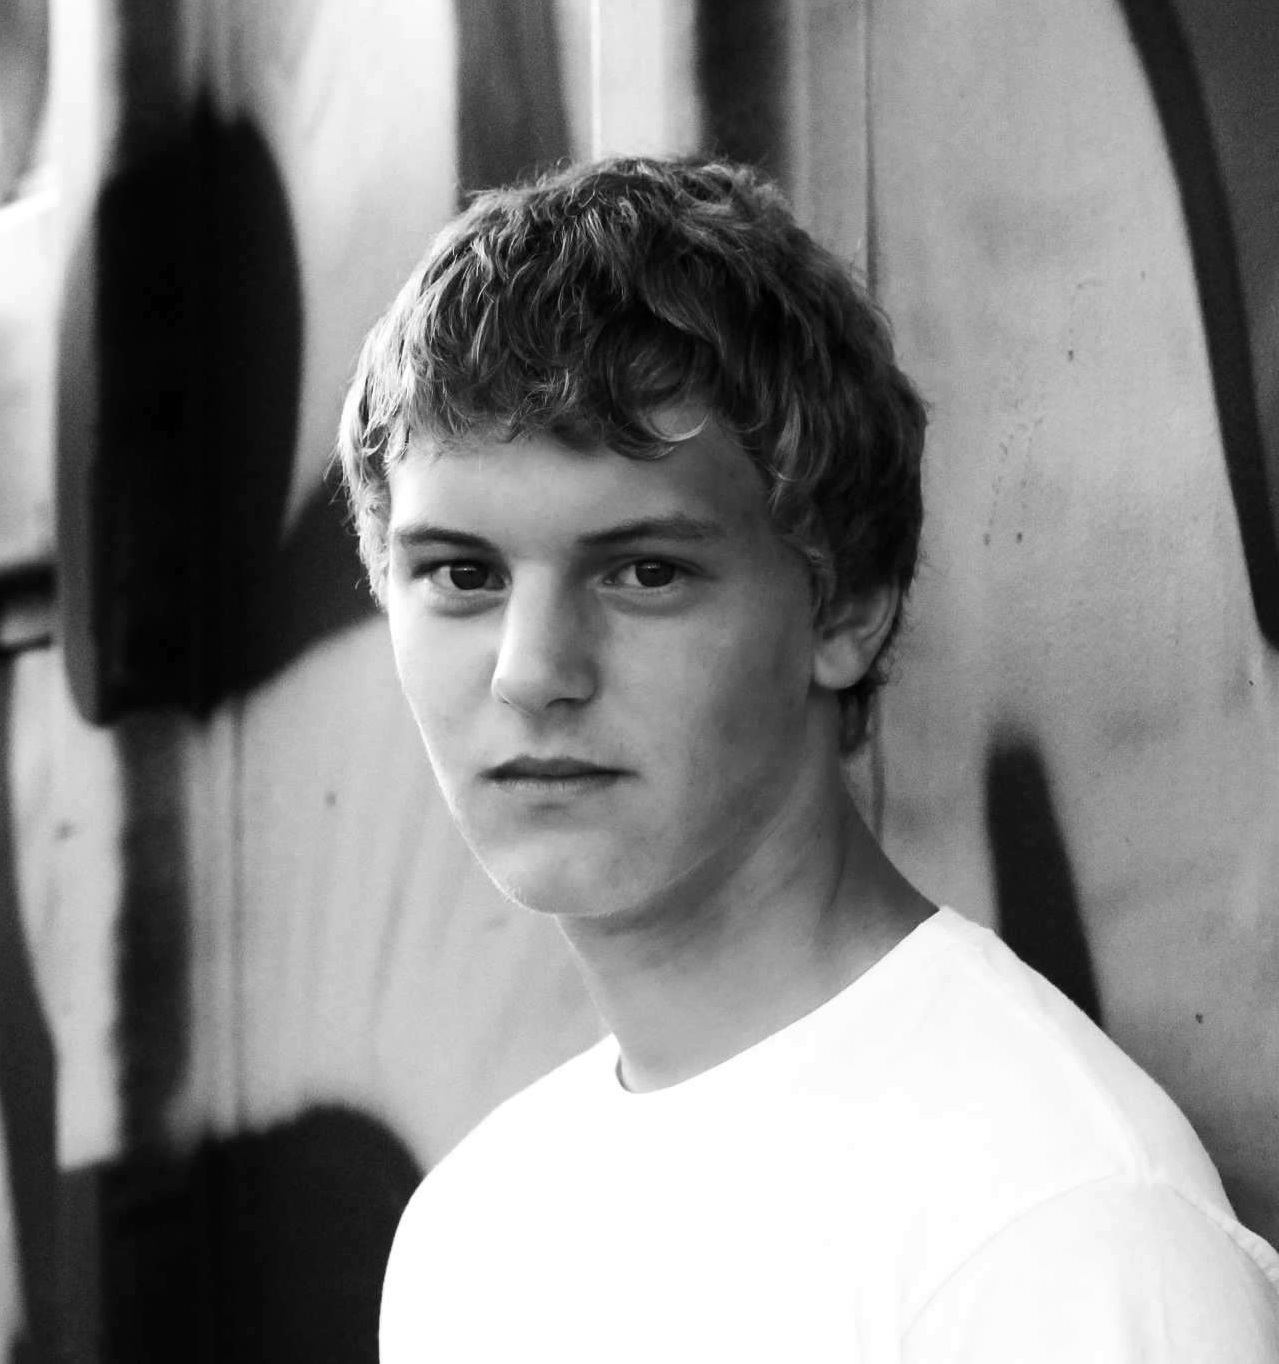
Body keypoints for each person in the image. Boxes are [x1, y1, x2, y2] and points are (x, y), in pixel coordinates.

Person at [337, 157, 1279, 1362]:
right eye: (461, 575)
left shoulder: (1048, 1227)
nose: (530, 669)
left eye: (642, 571)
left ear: (845, 611)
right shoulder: (468, 1231)